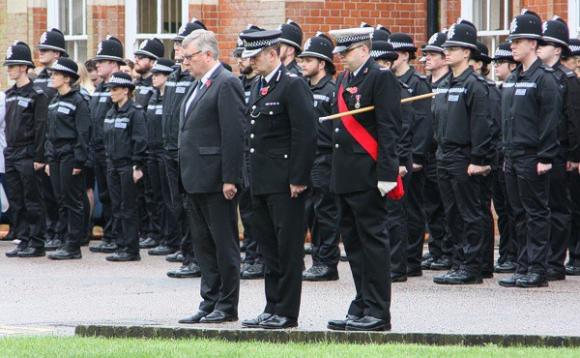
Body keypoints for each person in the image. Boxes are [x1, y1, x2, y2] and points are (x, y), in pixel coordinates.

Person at [239, 29, 316, 329]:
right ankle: (271, 306)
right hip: (261, 181)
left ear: (273, 54)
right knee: (268, 248)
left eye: (256, 56)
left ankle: (286, 311)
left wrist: (298, 178)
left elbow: (305, 135)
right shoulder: (259, 85)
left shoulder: (292, 86)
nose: (252, 62)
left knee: (288, 249)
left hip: (286, 184)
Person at [326, 27, 401, 332]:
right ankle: (361, 302)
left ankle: (379, 311)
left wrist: (387, 174)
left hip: (369, 176)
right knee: (354, 245)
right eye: (340, 54)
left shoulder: (381, 78)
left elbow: (389, 128)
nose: (342, 58)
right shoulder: (345, 79)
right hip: (345, 176)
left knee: (373, 244)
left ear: (363, 50)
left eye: (346, 53)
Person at [177, 30, 244, 324]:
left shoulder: (227, 83)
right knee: (203, 245)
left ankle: (227, 305)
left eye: (189, 57)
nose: (185, 63)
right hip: (194, 178)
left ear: (207, 54)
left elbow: (233, 134)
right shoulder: (196, 85)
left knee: (223, 243)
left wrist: (231, 177)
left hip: (217, 180)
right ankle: (210, 299)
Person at [498, 10, 561, 288]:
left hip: (533, 156)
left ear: (534, 43)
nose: (513, 44)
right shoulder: (513, 78)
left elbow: (550, 120)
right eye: (512, 40)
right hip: (512, 156)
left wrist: (546, 156)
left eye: (519, 40)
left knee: (536, 213)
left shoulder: (544, 78)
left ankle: (538, 268)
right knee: (518, 213)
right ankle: (523, 265)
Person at [432, 23, 494, 285]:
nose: (447, 52)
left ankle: (472, 265)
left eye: (453, 48)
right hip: (444, 154)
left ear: (467, 53)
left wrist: (479, 159)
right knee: (452, 213)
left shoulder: (475, 85)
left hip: (464, 156)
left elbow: (482, 123)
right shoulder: (446, 83)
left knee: (471, 213)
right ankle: (459, 261)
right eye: (446, 48)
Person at [162, 19, 206, 278]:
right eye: (177, 43)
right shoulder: (173, 74)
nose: (177, 47)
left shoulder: (197, 77)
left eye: (182, 43)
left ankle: (196, 259)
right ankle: (186, 252)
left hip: (186, 153)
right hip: (168, 149)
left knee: (192, 208)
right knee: (177, 206)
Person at [537, 16, 580, 281]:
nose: (540, 47)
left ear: (558, 48)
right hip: (542, 149)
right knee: (542, 207)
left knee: (558, 207)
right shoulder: (541, 76)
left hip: (561, 151)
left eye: (546, 43)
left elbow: (574, 119)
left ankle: (555, 261)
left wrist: (574, 155)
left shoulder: (568, 79)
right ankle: (542, 258)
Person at [389, 32, 433, 278]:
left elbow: (422, 122)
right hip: (398, 154)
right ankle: (400, 256)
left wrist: (417, 156)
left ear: (404, 55)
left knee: (412, 209)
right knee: (398, 209)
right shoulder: (390, 81)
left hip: (411, 157)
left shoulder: (417, 82)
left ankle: (412, 259)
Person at [298, 32, 341, 282]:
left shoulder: (332, 90)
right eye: (302, 59)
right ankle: (317, 259)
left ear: (322, 63)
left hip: (326, 158)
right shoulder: (303, 88)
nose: (302, 63)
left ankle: (327, 262)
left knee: (326, 212)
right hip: (308, 157)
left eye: (308, 59)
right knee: (310, 212)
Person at [370, 39, 414, 282]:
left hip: (394, 160)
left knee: (395, 216)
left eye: (383, 63)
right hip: (375, 160)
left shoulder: (398, 90)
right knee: (379, 216)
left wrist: (398, 162)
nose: (379, 67)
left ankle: (397, 265)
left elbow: (402, 130)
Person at [3, 41, 48, 258]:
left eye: (13, 65)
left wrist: (39, 156)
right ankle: (23, 238)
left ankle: (37, 241)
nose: (9, 69)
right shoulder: (9, 94)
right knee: (16, 199)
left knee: (32, 199)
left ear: (24, 67)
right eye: (8, 66)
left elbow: (41, 128)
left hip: (28, 152)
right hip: (12, 152)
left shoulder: (36, 94)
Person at [44, 58, 90, 260]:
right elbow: (48, 132)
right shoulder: (54, 100)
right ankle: (64, 240)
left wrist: (79, 161)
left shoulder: (78, 101)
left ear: (67, 78)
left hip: (70, 154)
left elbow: (83, 133)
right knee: (60, 198)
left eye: (56, 74)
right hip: (54, 155)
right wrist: (47, 157)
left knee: (73, 201)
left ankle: (73, 245)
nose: (52, 77)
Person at [102, 72, 147, 262]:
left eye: (115, 89)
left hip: (128, 165)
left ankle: (130, 249)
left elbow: (140, 140)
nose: (111, 93)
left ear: (126, 91)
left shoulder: (135, 112)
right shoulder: (111, 112)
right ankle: (120, 244)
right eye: (110, 89)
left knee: (128, 207)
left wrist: (138, 166)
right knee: (116, 207)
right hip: (112, 165)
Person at [233, 24, 266, 280]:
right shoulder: (241, 83)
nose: (240, 60)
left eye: (245, 56)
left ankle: (259, 256)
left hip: (260, 155)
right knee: (248, 210)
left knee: (258, 211)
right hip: (243, 153)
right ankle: (253, 254)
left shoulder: (262, 84)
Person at [88, 36, 126, 254]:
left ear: (113, 63)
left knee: (115, 196)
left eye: (102, 61)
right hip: (98, 149)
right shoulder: (100, 88)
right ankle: (110, 234)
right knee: (104, 194)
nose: (97, 65)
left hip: (112, 151)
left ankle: (117, 236)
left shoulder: (119, 88)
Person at [420, 31, 453, 271]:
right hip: (426, 153)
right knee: (430, 206)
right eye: (427, 54)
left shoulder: (449, 84)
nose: (427, 58)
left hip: (443, 150)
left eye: (433, 54)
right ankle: (436, 249)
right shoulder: (425, 85)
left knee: (446, 206)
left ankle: (447, 251)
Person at [35, 28, 67, 252]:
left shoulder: (62, 78)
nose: (41, 53)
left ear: (57, 54)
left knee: (59, 194)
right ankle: (49, 230)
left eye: (45, 49)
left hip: (56, 141)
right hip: (40, 140)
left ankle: (60, 232)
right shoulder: (38, 78)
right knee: (44, 193)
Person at [470, 40, 499, 279]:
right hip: (461, 156)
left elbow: (489, 126)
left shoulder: (485, 89)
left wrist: (484, 159)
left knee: (478, 210)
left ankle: (481, 263)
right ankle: (471, 260)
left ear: (479, 64)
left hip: (481, 157)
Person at [133, 38, 165, 251]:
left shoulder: (156, 90)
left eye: (142, 57)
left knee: (158, 195)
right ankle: (148, 231)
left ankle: (158, 233)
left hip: (157, 146)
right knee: (145, 194)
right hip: (142, 146)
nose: (137, 59)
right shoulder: (138, 86)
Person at [491, 42, 518, 274]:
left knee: (513, 209)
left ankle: (514, 253)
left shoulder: (515, 87)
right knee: (502, 208)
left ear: (512, 65)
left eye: (500, 63)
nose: (496, 67)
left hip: (511, 153)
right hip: (498, 155)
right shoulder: (499, 89)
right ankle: (507, 253)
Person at [142, 58, 174, 251]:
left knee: (167, 197)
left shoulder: (170, 98)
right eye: (153, 74)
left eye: (158, 74)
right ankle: (158, 234)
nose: (154, 78)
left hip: (164, 151)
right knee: (153, 195)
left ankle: (170, 238)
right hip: (151, 151)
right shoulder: (153, 97)